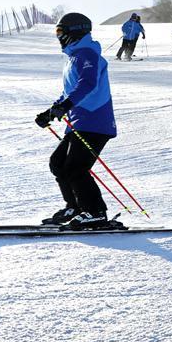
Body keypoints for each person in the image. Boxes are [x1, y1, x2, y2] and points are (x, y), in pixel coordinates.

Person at [34, 12, 119, 229]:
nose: (58, 37)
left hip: (95, 122)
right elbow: (70, 91)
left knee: (76, 168)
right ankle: (75, 207)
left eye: (61, 32)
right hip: (80, 122)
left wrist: (66, 106)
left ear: (74, 32)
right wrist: (52, 111)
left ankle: (95, 212)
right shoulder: (74, 57)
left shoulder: (87, 54)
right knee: (59, 164)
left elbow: (87, 84)